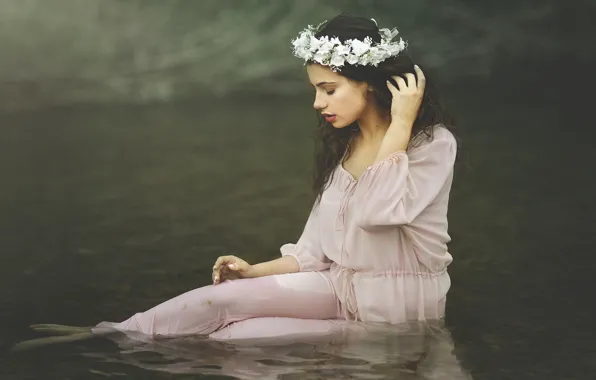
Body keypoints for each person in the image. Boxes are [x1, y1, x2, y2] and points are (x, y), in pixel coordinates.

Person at [22, 13, 459, 346]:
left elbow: (377, 214)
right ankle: (108, 333)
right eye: (315, 89)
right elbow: (314, 251)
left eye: (329, 89)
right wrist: (254, 271)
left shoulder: (431, 145)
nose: (316, 102)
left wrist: (401, 123)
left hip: (392, 312)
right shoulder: (345, 144)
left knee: (229, 340)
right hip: (340, 286)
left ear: (372, 85)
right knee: (221, 303)